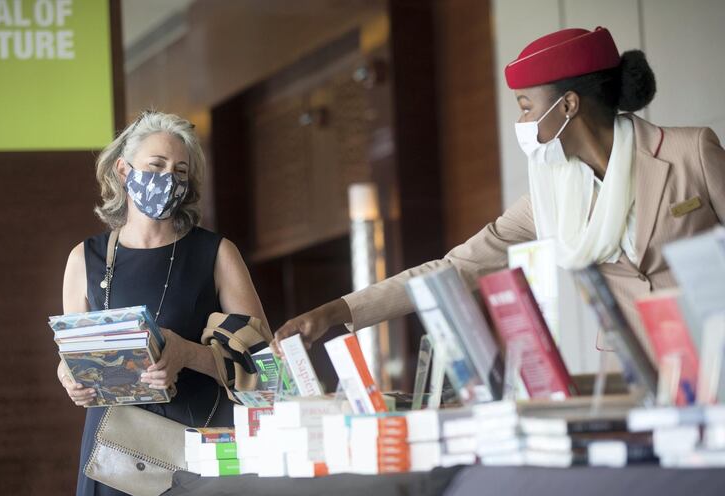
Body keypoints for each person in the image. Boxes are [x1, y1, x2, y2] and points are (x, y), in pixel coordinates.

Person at [272, 26, 725, 360]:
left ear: (568, 105)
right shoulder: (551, 199)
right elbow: (454, 269)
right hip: (644, 373)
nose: (523, 123)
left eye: (527, 107)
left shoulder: (690, 151)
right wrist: (335, 312)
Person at [58, 111, 269, 496]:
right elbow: (69, 358)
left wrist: (188, 353)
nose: (167, 179)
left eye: (179, 171)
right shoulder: (86, 258)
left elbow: (264, 368)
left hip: (197, 454)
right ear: (123, 169)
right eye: (155, 166)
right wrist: (69, 377)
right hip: (111, 456)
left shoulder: (216, 253)